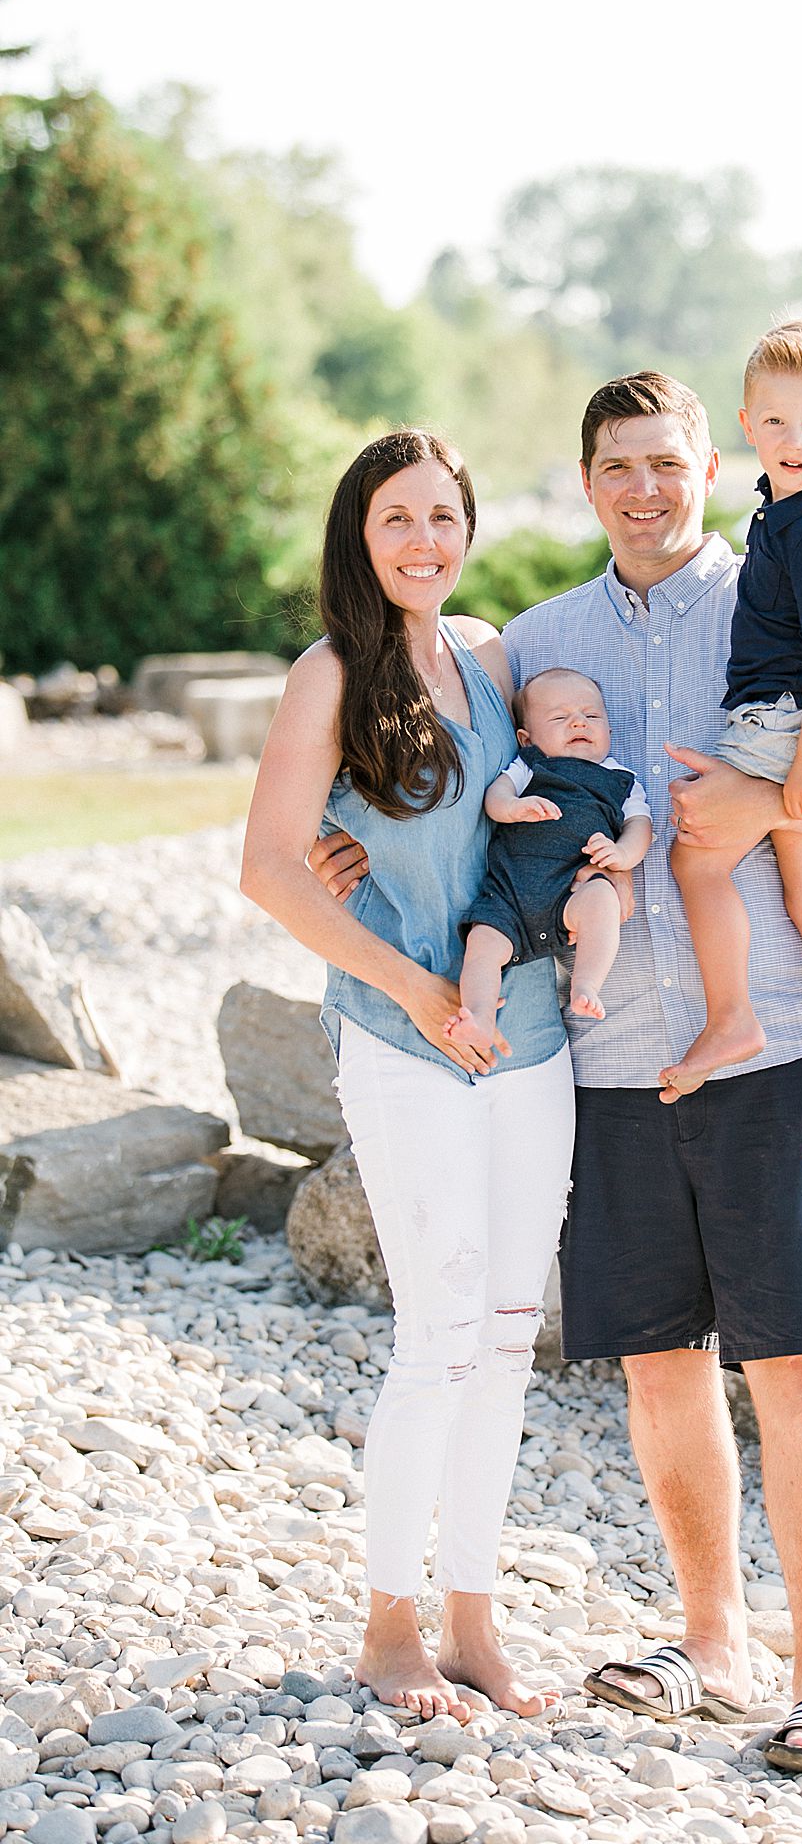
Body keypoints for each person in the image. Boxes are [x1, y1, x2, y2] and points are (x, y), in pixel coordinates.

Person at [314, 374, 802, 1776]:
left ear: (713, 467)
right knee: (661, 1365)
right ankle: (710, 1642)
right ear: (587, 482)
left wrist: (783, 802)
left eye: (668, 463)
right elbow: (427, 779)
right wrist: (346, 856)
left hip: (777, 1041)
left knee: (795, 1367)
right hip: (600, 1062)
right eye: (618, 467)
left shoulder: (783, 592)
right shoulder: (534, 641)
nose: (645, 489)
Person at [241, 427, 575, 1722]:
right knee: (436, 1336)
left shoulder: (489, 655)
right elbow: (271, 867)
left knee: (503, 1341)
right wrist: (416, 989)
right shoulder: (328, 675)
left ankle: (476, 1625)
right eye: (397, 519)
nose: (424, 541)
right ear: (356, 534)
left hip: (529, 1035)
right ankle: (390, 1631)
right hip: (404, 1040)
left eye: (445, 516)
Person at [660, 323, 802, 1169]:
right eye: (779, 423)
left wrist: (801, 766)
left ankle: (732, 1018)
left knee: (699, 859)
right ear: (747, 425)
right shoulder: (790, 512)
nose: (797, 442)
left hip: (795, 719)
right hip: (800, 721)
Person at [448, 667, 653, 1049]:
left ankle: (587, 984)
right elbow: (496, 798)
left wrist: (621, 854)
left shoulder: (621, 778)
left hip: (569, 893)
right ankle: (478, 1015)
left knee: (603, 901)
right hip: (507, 896)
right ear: (527, 738)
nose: (579, 722)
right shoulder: (529, 767)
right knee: (482, 946)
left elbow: (641, 827)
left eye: (592, 716)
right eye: (560, 717)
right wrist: (514, 808)